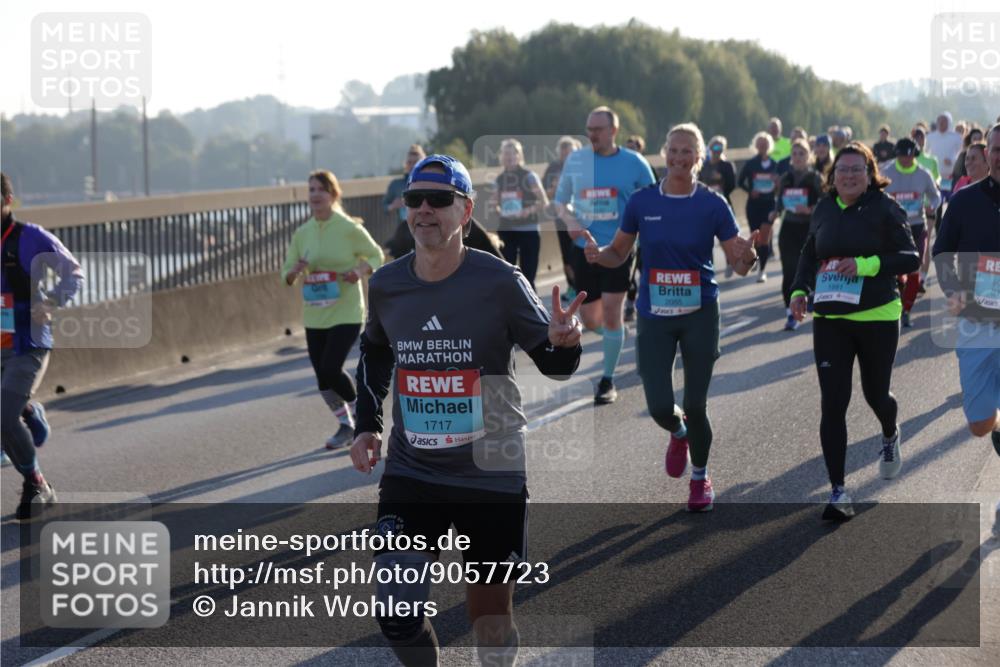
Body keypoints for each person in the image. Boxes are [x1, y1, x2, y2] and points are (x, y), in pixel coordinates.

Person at [350, 154, 584, 667]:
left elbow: (553, 363)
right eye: (415, 200)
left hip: (490, 471)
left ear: (466, 209)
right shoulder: (388, 284)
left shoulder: (500, 280)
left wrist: (564, 342)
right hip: (413, 470)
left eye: (439, 200)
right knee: (396, 612)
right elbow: (375, 350)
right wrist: (366, 426)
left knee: (490, 625)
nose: (425, 210)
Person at [584, 123, 759, 511]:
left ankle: (700, 478)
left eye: (688, 152)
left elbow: (740, 263)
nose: (680, 158)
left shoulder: (713, 204)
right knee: (661, 405)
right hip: (654, 314)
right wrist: (600, 256)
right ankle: (678, 433)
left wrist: (748, 255)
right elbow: (619, 252)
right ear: (664, 154)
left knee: (696, 405)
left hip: (699, 312)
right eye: (674, 151)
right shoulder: (643, 202)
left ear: (699, 159)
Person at [790, 143, 919, 521]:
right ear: (833, 174)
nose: (848, 175)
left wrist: (864, 265)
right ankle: (838, 490)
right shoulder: (825, 207)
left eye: (856, 169)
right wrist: (799, 290)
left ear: (869, 172)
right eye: (842, 169)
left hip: (877, 314)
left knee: (875, 394)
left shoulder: (884, 207)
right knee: (833, 402)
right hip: (831, 318)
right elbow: (809, 252)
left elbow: (909, 257)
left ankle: (890, 433)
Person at [554, 106, 657, 404]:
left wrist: (644, 233)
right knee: (590, 318)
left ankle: (607, 380)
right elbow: (560, 202)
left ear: (613, 131)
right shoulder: (576, 160)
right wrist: (571, 220)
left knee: (613, 312)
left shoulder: (634, 162)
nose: (591, 134)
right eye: (588, 129)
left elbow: (652, 200)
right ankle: (618, 337)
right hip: (583, 250)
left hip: (619, 249)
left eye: (597, 129)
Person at [1, 171, 84, 521]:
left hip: (27, 343)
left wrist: (51, 302)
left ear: (7, 201)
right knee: (9, 412)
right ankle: (29, 412)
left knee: (3, 415)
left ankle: (37, 485)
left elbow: (73, 272)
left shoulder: (29, 237)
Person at [282, 170, 384, 449]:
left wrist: (359, 270)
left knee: (331, 367)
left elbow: (375, 254)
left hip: (347, 311)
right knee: (322, 377)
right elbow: (286, 275)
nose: (315, 195)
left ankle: (362, 417)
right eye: (311, 189)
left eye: (320, 190)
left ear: (333, 194)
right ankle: (345, 425)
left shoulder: (349, 228)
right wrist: (295, 271)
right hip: (315, 313)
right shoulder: (303, 233)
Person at [932, 124, 1000, 460]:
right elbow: (941, 252)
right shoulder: (964, 201)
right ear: (988, 155)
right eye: (998, 150)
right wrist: (952, 289)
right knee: (979, 424)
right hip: (977, 320)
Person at [882, 138, 942, 328]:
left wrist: (932, 206)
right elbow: (875, 193)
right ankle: (896, 301)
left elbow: (936, 196)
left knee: (914, 267)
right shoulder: (887, 172)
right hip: (893, 228)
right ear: (896, 155)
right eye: (901, 156)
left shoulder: (923, 174)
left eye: (909, 156)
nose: (905, 160)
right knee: (897, 270)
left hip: (917, 226)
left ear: (914, 155)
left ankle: (907, 309)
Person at [770, 138, 824, 331]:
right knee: (789, 271)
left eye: (802, 153)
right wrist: (775, 211)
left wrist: (810, 209)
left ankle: (810, 296)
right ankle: (790, 313)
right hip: (789, 228)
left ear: (808, 156)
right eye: (795, 154)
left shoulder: (815, 177)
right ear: (791, 157)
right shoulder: (786, 177)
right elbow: (779, 200)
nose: (798, 157)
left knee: (810, 269)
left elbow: (825, 202)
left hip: (809, 229)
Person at [489, 138, 548, 289]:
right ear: (501, 157)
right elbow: (494, 204)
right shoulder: (499, 180)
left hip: (528, 230)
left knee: (528, 276)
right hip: (507, 231)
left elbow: (543, 202)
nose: (509, 157)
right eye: (505, 154)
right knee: (507, 274)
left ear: (519, 155)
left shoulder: (529, 176)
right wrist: (499, 210)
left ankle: (532, 309)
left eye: (512, 153)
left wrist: (527, 211)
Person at [543, 136, 582, 302]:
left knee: (580, 252)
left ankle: (584, 286)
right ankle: (573, 286)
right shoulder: (553, 168)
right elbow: (546, 194)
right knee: (567, 254)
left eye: (570, 152)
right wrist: (554, 188)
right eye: (563, 152)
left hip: (581, 215)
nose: (566, 155)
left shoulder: (583, 166)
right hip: (561, 217)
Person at [738, 131, 779, 282]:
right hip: (754, 205)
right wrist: (750, 190)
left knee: (764, 238)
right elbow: (740, 182)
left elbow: (782, 186)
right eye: (760, 144)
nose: (762, 146)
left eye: (765, 144)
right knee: (755, 237)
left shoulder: (775, 165)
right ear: (756, 146)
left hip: (769, 204)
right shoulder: (750, 164)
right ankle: (754, 259)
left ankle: (762, 270)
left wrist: (777, 184)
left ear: (770, 146)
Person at [384, 145, 426, 259]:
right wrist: (393, 206)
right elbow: (385, 206)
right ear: (405, 164)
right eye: (409, 162)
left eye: (416, 162)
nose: (412, 165)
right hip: (404, 230)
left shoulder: (430, 182)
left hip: (425, 227)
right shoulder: (396, 185)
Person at [926, 111, 963, 200]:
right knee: (936, 200)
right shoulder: (930, 137)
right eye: (939, 121)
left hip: (951, 176)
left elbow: (961, 155)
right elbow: (926, 153)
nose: (941, 123)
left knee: (951, 200)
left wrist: (952, 161)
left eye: (944, 121)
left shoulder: (956, 137)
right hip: (934, 176)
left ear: (949, 122)